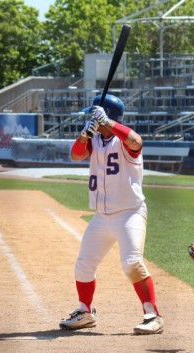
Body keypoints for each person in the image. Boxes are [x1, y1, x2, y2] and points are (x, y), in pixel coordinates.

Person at [59, 94, 164, 335]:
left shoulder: (124, 141)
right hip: (101, 216)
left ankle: (153, 315)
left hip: (130, 213)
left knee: (132, 263)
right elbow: (75, 154)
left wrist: (109, 123)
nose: (91, 118)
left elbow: (137, 142)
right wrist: (85, 133)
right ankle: (85, 312)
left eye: (95, 115)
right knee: (84, 265)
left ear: (107, 116)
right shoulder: (94, 140)